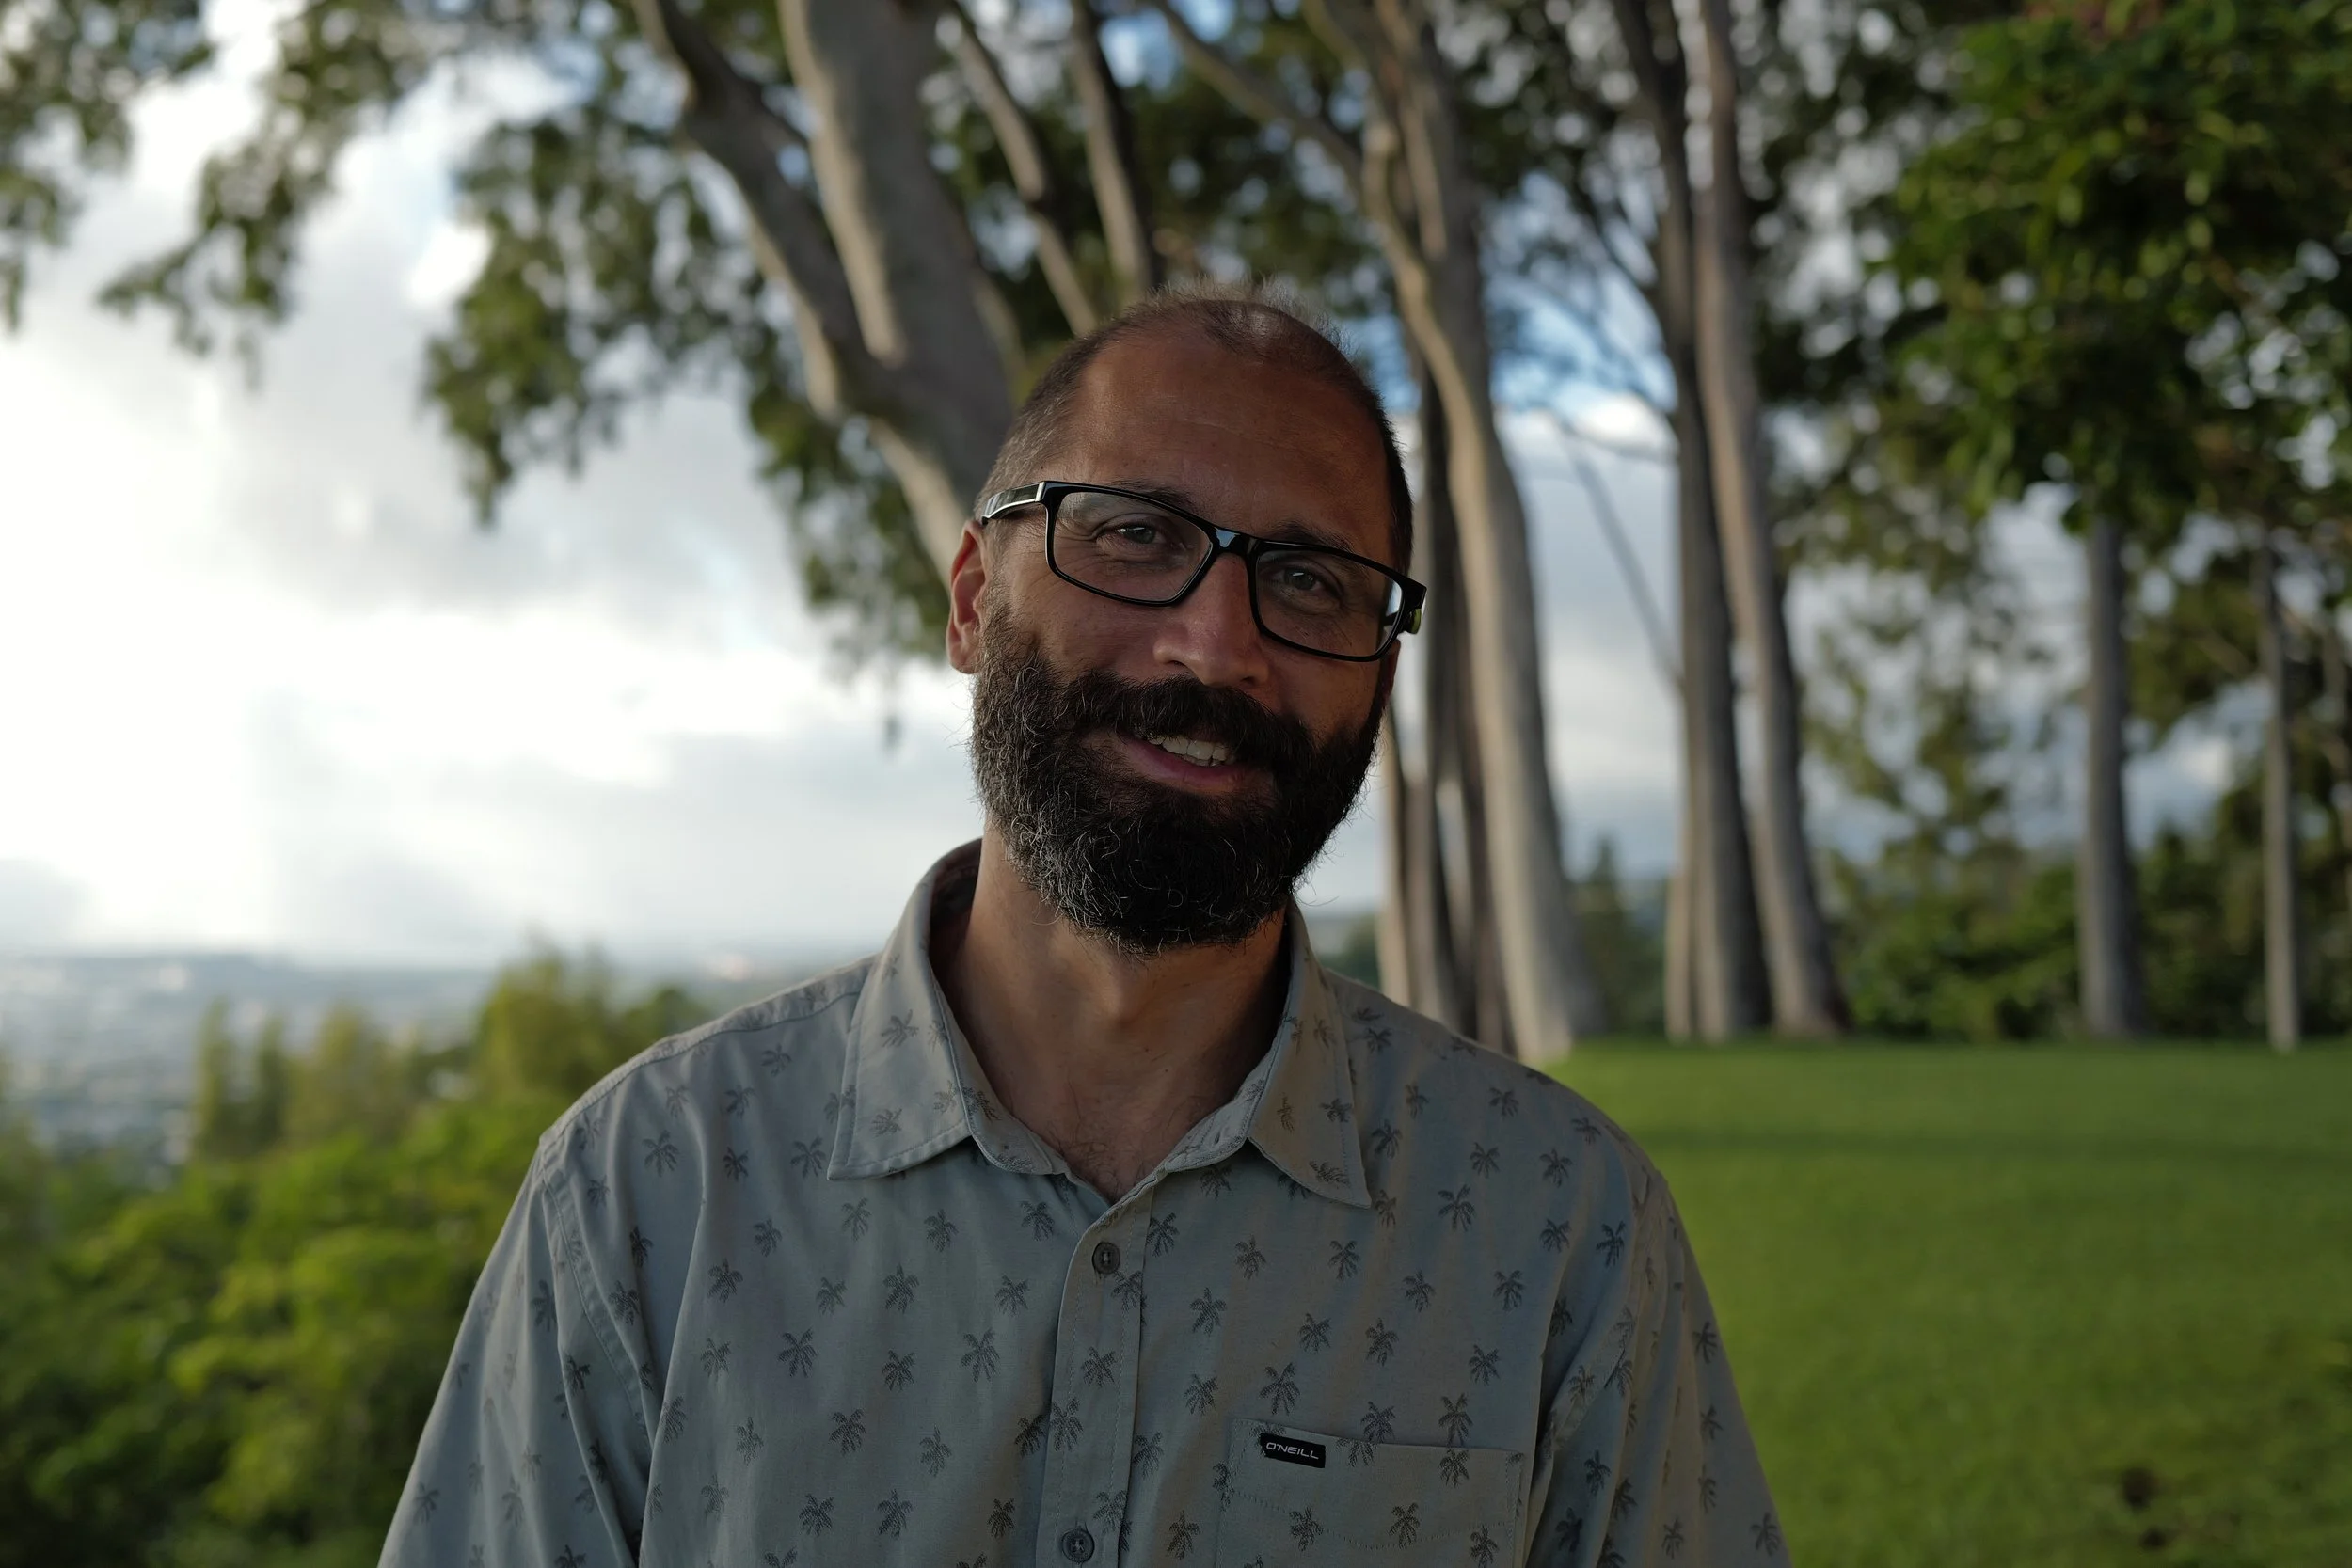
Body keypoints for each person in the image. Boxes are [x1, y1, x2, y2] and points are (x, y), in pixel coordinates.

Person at [380, 284, 1781, 1568]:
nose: (1216, 644)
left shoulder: (1561, 1231)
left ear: (1382, 671)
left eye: (1308, 580)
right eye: (1133, 535)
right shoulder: (648, 1195)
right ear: (976, 600)